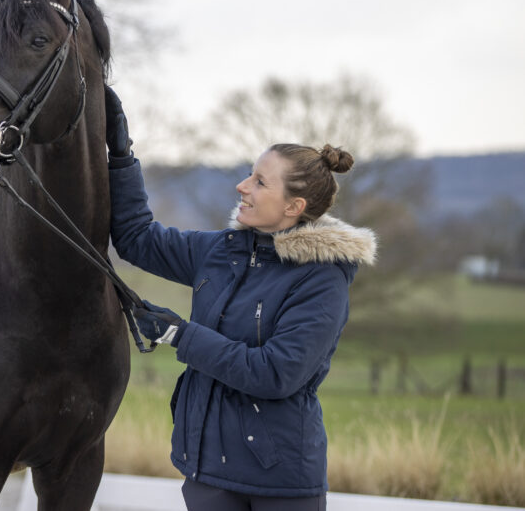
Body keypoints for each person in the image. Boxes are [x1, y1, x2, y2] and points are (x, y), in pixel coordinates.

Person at [104, 86, 376, 511]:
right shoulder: (221, 251)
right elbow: (138, 239)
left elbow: (275, 373)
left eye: (259, 182)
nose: (241, 186)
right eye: (250, 174)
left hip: (278, 486)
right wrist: (121, 156)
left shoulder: (322, 280)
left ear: (294, 206)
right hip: (205, 474)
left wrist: (180, 334)